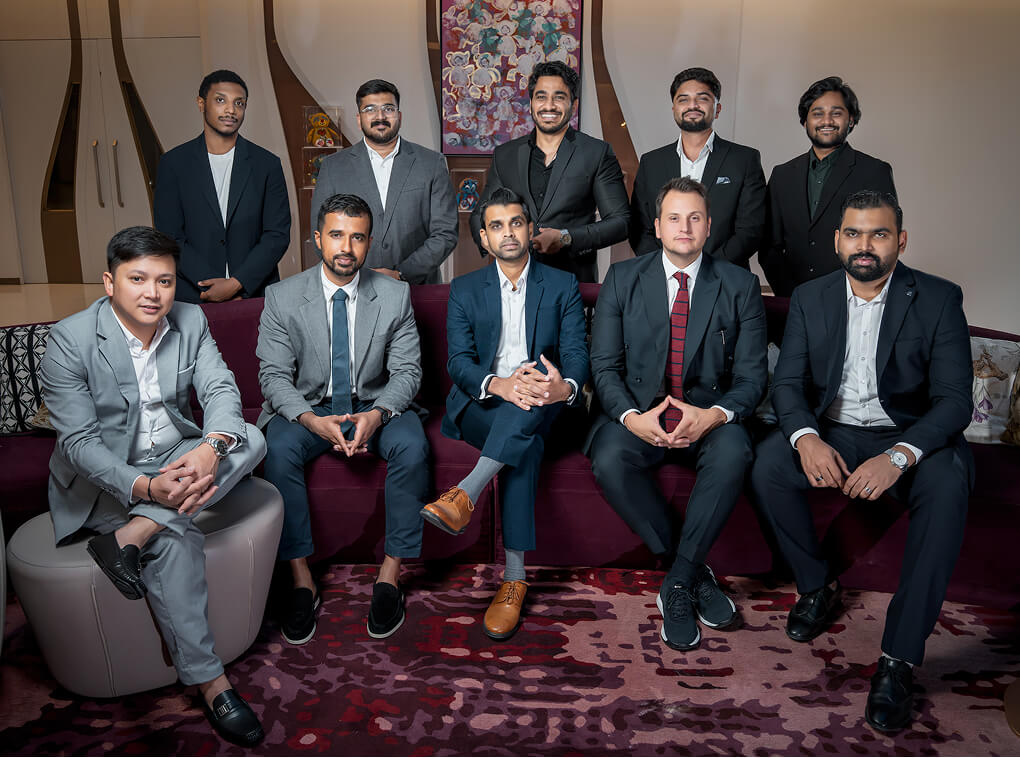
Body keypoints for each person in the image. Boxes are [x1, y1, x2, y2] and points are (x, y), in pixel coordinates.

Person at [750, 190, 973, 732]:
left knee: (949, 486)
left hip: (908, 434)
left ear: (901, 241)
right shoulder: (811, 297)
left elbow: (953, 401)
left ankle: (898, 658)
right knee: (768, 466)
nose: (864, 245)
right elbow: (788, 383)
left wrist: (898, 456)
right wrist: (805, 437)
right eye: (853, 233)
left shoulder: (939, 298)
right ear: (837, 241)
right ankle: (817, 585)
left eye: (878, 234)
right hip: (834, 429)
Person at [40, 226, 268, 747]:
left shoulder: (191, 320)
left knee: (251, 437)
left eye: (164, 280)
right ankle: (212, 684)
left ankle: (131, 536)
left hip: (178, 456)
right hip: (108, 477)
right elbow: (78, 445)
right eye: (137, 279)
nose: (153, 293)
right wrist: (145, 487)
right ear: (109, 282)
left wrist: (211, 448)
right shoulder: (70, 339)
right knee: (176, 539)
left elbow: (220, 388)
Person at [586, 176, 767, 651]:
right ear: (657, 226)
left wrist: (714, 416)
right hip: (641, 414)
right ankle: (690, 571)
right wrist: (631, 417)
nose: (684, 227)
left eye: (694, 218)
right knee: (608, 457)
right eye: (674, 218)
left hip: (707, 419)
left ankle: (677, 581)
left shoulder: (741, 285)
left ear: (708, 226)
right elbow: (603, 366)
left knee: (735, 452)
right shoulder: (623, 278)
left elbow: (752, 378)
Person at [257, 193, 428, 645]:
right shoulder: (282, 297)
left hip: (374, 400)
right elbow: (273, 376)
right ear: (318, 238)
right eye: (336, 235)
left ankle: (390, 576)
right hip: (310, 406)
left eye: (357, 237)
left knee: (413, 445)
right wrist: (310, 421)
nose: (346, 248)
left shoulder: (395, 295)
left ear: (369, 242)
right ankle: (301, 580)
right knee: (277, 450)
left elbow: (407, 372)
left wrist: (377, 415)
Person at [422, 187, 589, 640]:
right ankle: (514, 578)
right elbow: (459, 362)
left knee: (530, 400)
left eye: (516, 222)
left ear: (530, 229)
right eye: (497, 226)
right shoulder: (465, 289)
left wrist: (562, 388)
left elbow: (576, 355)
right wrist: (500, 385)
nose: (508, 232)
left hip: (544, 399)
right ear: (484, 237)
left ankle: (464, 495)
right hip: (483, 403)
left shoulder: (561, 285)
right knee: (523, 437)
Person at [469, 60, 629, 283]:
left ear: (573, 105)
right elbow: (479, 215)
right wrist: (491, 243)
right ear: (531, 103)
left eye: (559, 97)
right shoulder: (506, 154)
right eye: (541, 97)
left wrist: (566, 238)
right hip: (512, 280)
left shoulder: (596, 153)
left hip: (572, 281)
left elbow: (620, 222)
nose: (549, 106)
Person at [154, 69, 291, 303]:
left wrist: (237, 284)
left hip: (254, 294)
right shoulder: (173, 164)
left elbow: (276, 234)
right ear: (201, 104)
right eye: (220, 100)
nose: (231, 110)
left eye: (239, 103)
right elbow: (169, 237)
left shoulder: (267, 164)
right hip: (193, 294)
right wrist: (211, 284)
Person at [311, 79, 457, 284]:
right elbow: (321, 231)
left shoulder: (431, 163)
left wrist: (402, 274)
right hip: (354, 285)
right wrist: (351, 274)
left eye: (388, 109)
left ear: (399, 116)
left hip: (416, 286)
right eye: (370, 109)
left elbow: (446, 232)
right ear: (359, 119)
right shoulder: (333, 167)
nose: (380, 116)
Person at [761, 76, 896, 296]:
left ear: (851, 120)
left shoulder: (874, 171)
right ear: (805, 122)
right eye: (817, 113)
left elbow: (884, 240)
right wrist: (790, 294)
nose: (827, 121)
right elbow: (769, 245)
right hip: (792, 298)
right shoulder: (782, 175)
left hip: (851, 297)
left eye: (836, 113)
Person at [629, 67, 766, 268]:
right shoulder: (651, 162)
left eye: (702, 98)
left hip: (725, 276)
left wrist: (706, 271)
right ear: (674, 109)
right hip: (663, 277)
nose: (692, 105)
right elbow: (640, 229)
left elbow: (751, 230)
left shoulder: (744, 160)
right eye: (683, 99)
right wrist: (666, 269)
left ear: (717, 109)